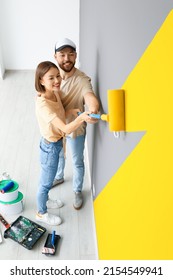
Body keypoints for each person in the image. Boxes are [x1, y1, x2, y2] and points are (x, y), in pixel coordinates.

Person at [35, 61, 92, 226]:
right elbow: (66, 128)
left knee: (50, 178)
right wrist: (81, 118)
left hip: (57, 142)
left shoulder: (54, 93)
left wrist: (71, 111)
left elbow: (60, 115)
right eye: (51, 78)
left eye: (58, 76)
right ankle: (41, 213)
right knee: (45, 183)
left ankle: (46, 201)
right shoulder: (43, 105)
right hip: (50, 147)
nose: (57, 80)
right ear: (41, 81)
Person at [53, 38, 100, 210]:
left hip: (75, 130)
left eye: (71, 55)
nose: (67, 59)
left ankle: (77, 190)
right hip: (57, 127)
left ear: (75, 56)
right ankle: (59, 176)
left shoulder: (81, 80)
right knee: (59, 155)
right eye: (62, 55)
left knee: (77, 161)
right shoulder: (52, 76)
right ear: (55, 57)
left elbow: (90, 97)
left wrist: (93, 110)